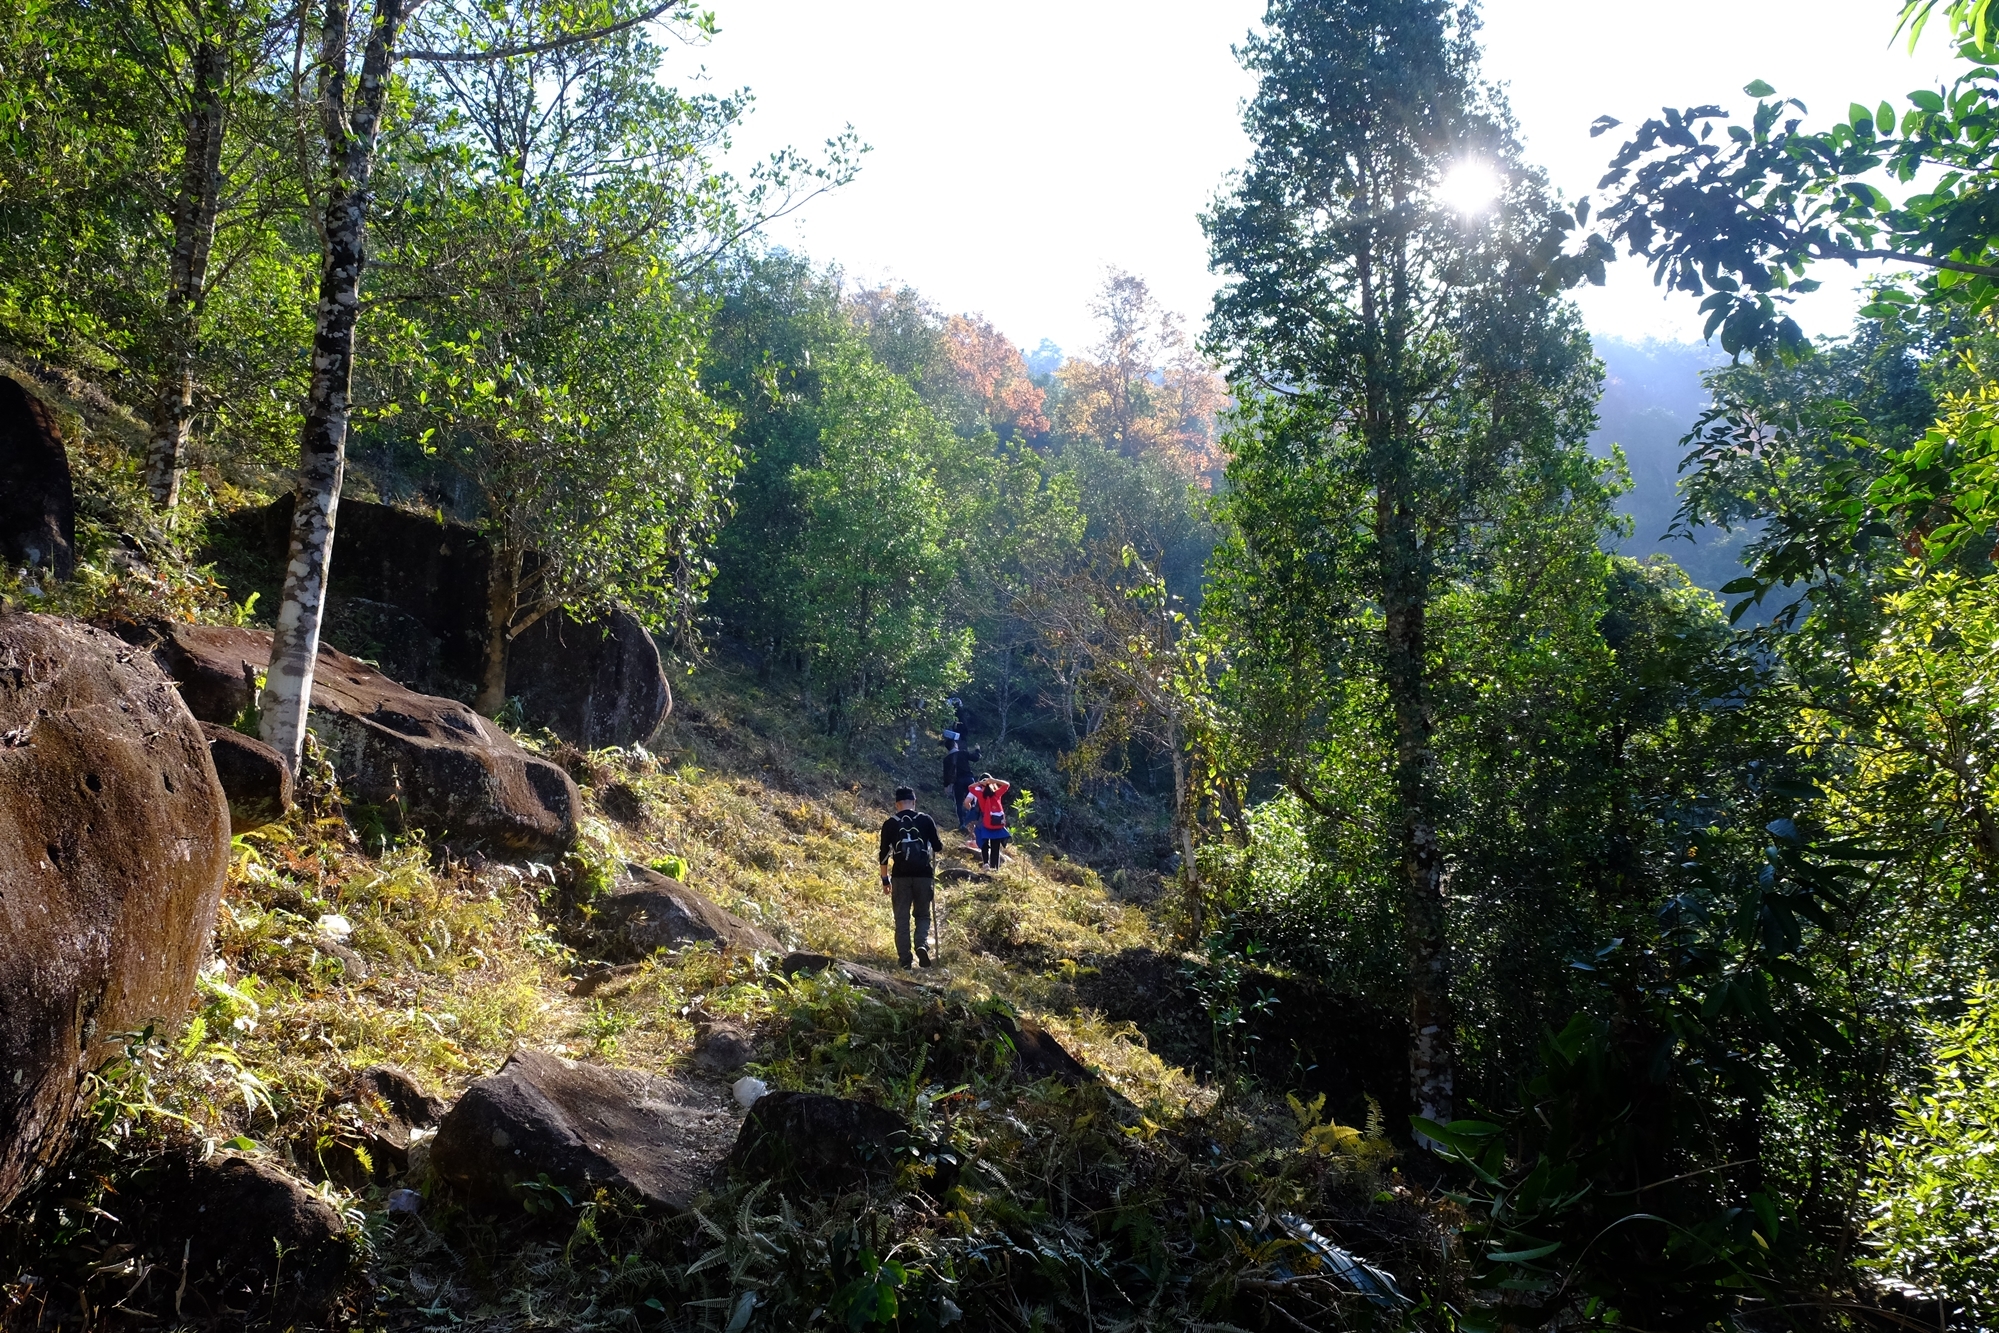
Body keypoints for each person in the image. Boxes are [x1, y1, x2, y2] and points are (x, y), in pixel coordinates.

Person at [878, 785, 944, 968]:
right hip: (924, 876)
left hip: (900, 877)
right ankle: (921, 945)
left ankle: (905, 961)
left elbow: (883, 854)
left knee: (901, 918)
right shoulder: (926, 820)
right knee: (923, 915)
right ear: (914, 802)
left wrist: (885, 879)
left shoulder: (890, 823)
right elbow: (938, 847)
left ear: (896, 804)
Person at [964, 773, 1011, 870]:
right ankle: (995, 867)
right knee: (996, 846)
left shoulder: (981, 795)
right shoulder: (997, 794)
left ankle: (986, 863)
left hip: (985, 822)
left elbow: (970, 788)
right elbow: (1006, 785)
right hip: (997, 823)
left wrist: (980, 783)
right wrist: (994, 780)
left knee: (984, 842)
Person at [940, 735, 977, 848]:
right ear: (955, 745)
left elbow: (946, 775)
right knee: (974, 800)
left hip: (957, 782)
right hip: (969, 779)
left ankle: (962, 824)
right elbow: (975, 758)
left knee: (959, 802)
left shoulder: (946, 759)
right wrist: (978, 749)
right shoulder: (963, 753)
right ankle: (975, 821)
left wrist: (946, 786)